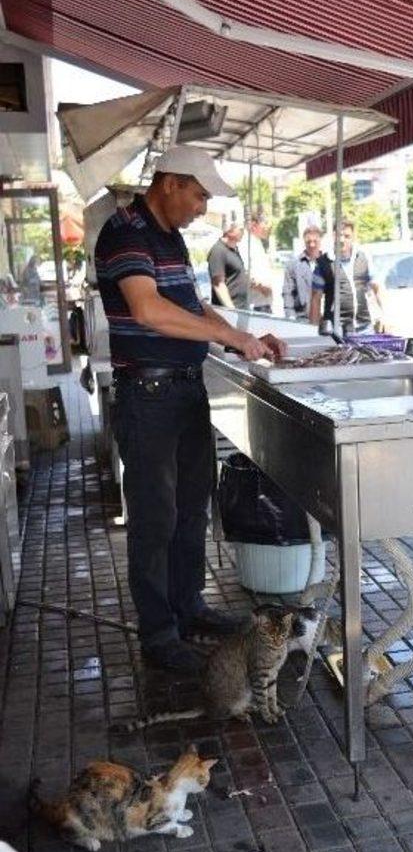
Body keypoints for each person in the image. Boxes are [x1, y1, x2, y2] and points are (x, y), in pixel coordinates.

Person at [96, 145, 286, 674]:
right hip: (148, 395)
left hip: (184, 390)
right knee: (154, 519)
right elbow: (147, 308)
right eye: (200, 194)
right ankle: (159, 634)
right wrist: (233, 337)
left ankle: (189, 607)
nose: (203, 208)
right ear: (171, 183)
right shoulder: (125, 230)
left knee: (192, 510)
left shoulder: (171, 238)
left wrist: (234, 336)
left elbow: (187, 305)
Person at [309, 220, 383, 334]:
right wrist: (314, 330)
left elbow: (378, 289)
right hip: (337, 330)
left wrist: (385, 316)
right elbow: (315, 299)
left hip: (364, 327)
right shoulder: (323, 263)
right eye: (338, 235)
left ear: (353, 237)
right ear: (333, 236)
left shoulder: (364, 258)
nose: (342, 240)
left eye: (347, 236)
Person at [282, 226, 322, 320]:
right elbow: (288, 292)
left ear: (320, 241)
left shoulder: (329, 264)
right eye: (309, 242)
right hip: (302, 318)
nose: (312, 245)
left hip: (324, 319)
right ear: (304, 242)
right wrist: (290, 315)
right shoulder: (293, 265)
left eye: (315, 241)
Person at [238, 212, 274, 313]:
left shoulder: (257, 242)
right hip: (255, 306)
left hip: (263, 303)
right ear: (254, 225)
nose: (268, 227)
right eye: (265, 223)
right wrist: (261, 288)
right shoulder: (246, 244)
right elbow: (243, 272)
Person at [208, 223, 247, 308]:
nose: (243, 232)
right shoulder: (218, 251)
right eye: (240, 229)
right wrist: (231, 309)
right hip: (229, 312)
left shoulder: (234, 250)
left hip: (242, 308)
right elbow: (218, 284)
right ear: (229, 232)